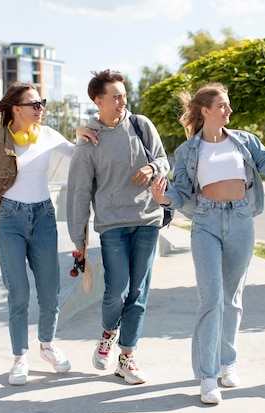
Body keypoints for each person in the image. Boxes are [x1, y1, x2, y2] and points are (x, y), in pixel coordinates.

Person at [149, 83, 265, 404]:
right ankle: (207, 374)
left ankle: (228, 363)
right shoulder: (188, 151)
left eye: (228, 106)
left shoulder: (245, 141)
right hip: (206, 222)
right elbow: (182, 193)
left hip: (242, 220)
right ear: (206, 111)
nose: (229, 111)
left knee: (232, 299)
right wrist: (163, 198)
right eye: (223, 106)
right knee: (211, 299)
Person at [0, 82, 76, 385]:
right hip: (10, 219)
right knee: (19, 294)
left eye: (41, 102)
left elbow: (78, 156)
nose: (40, 108)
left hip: (44, 217)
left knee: (50, 291)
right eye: (34, 103)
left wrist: (85, 139)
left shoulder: (48, 135)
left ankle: (47, 344)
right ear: (15, 108)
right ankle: (20, 357)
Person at [66, 69, 169, 385]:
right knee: (116, 290)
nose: (123, 100)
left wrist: (152, 167)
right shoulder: (88, 140)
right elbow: (80, 191)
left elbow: (164, 161)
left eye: (124, 95)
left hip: (147, 220)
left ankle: (127, 357)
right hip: (112, 224)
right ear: (98, 101)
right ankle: (108, 333)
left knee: (138, 292)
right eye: (116, 96)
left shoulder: (141, 125)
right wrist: (77, 239)